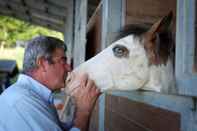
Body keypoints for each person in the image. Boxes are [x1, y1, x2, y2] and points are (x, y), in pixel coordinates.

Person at [0, 36, 101, 131]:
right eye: (63, 61)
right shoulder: (22, 102)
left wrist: (79, 105)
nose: (69, 68)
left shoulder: (32, 96)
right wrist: (83, 111)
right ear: (43, 64)